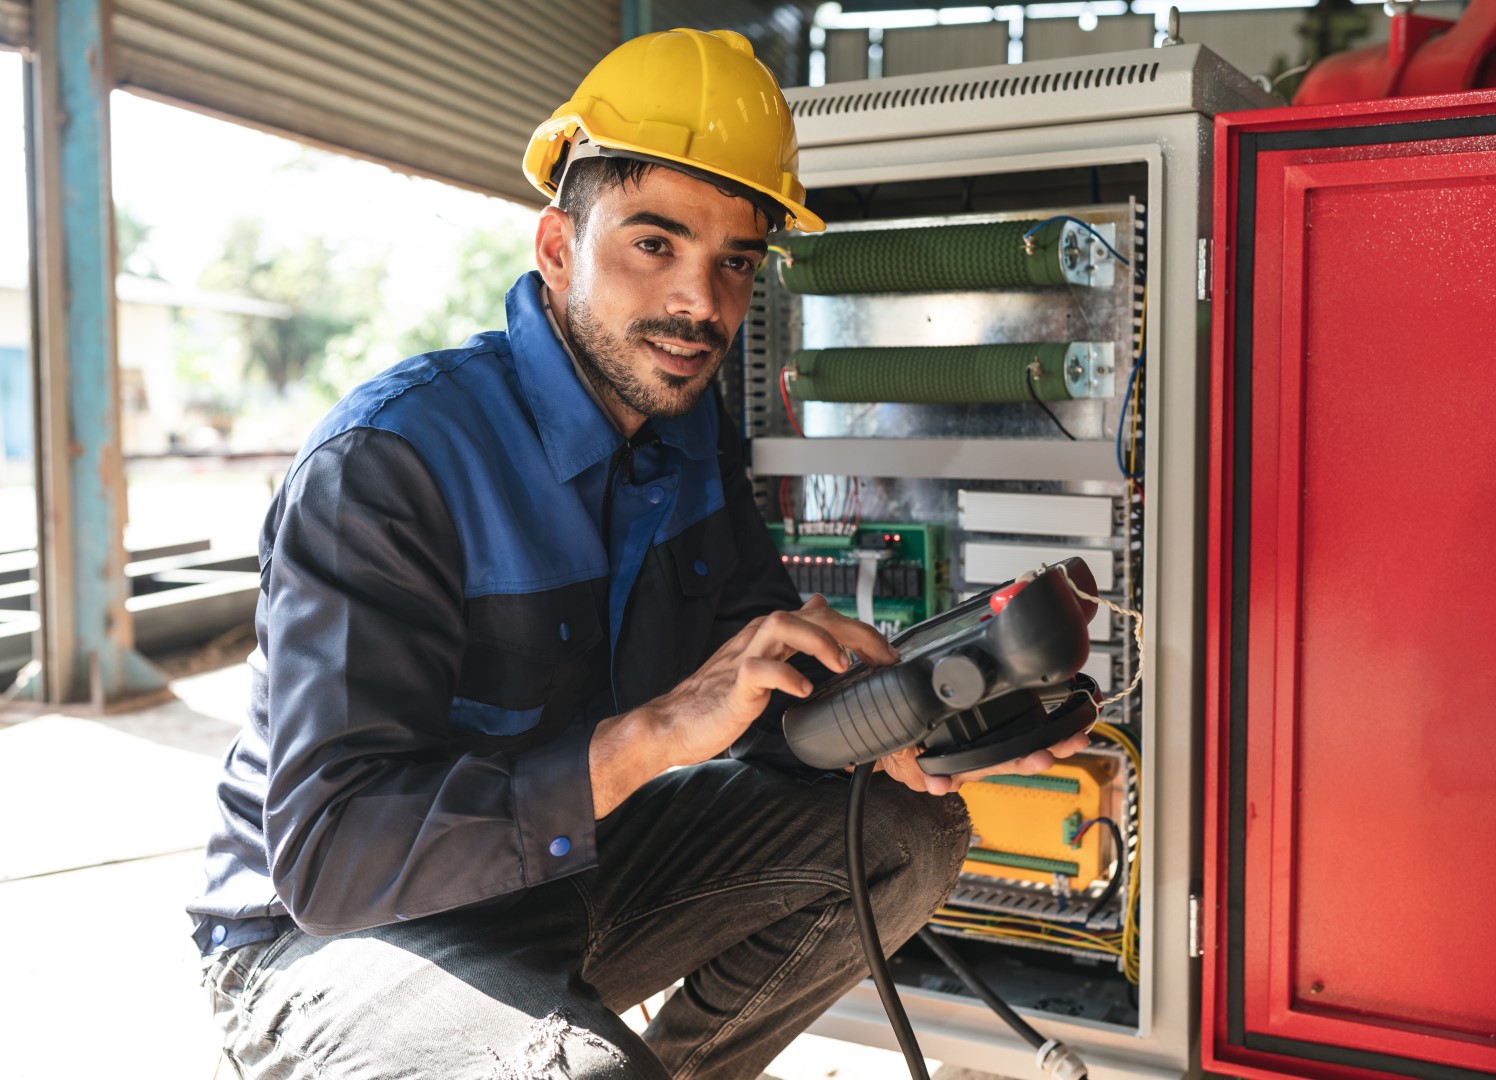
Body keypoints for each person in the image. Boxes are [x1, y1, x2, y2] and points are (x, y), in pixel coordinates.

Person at [190, 28, 1087, 1079]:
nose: (701, 304)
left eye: (735, 263)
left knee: (903, 834)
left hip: (557, 883)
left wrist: (897, 723)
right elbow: (331, 859)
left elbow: (758, 709)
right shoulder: (391, 469)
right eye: (654, 245)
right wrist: (656, 732)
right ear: (559, 248)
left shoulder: (689, 438)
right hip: (327, 942)